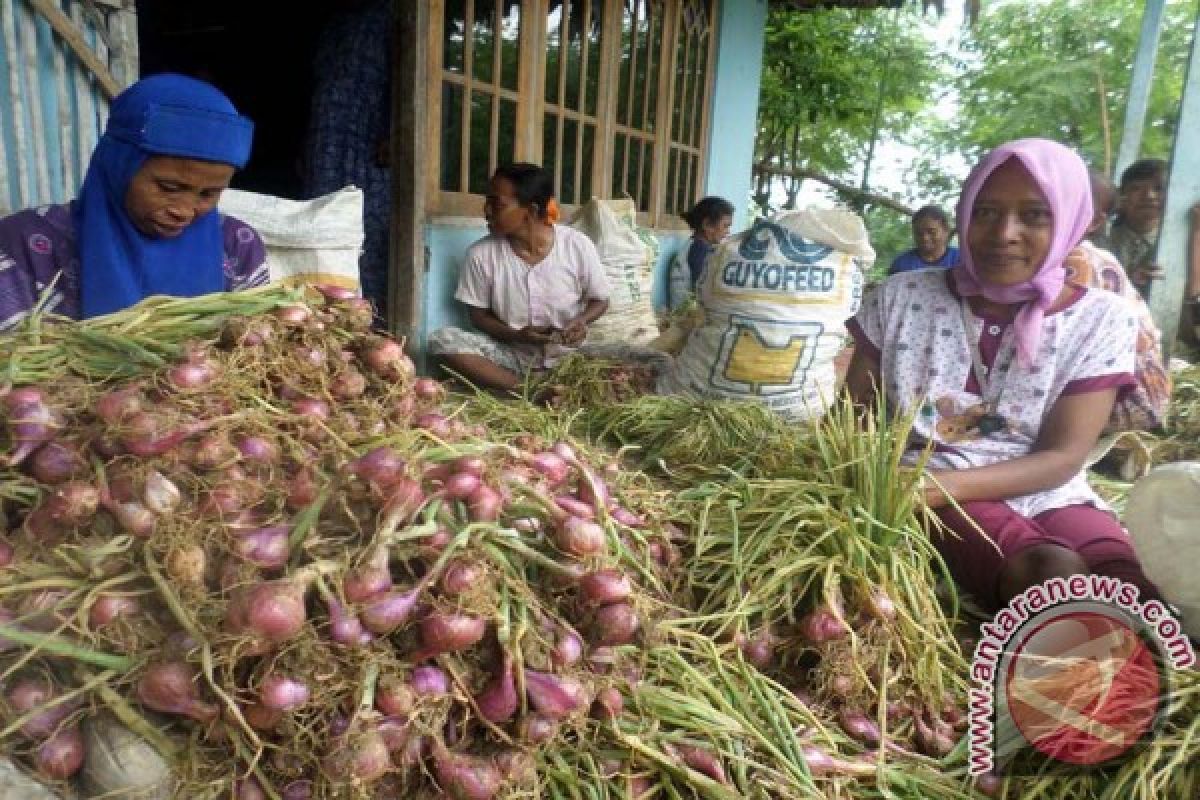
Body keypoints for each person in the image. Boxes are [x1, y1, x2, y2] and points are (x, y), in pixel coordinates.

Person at [845, 138, 1158, 611]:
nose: (1003, 233)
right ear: (964, 212)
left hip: (1044, 485)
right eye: (986, 211)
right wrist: (881, 490)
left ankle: (1139, 673)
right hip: (931, 478)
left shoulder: (1102, 317)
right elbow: (851, 421)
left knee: (1127, 584)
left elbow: (1062, 456)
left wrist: (927, 492)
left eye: (1034, 215)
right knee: (1047, 577)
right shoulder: (900, 297)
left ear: (1072, 220)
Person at [0, 74, 266, 330]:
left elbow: (262, 351)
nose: (184, 211)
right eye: (169, 188)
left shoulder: (238, 246)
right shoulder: (25, 246)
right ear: (118, 164)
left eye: (208, 194)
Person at [428, 163, 610, 392]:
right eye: (488, 201)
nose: (487, 210)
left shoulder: (577, 245)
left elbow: (600, 300)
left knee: (651, 361)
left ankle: (558, 387)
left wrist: (581, 321)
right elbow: (478, 317)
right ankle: (532, 391)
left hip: (572, 358)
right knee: (443, 340)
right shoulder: (481, 255)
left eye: (497, 204)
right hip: (513, 358)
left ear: (531, 211)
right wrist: (518, 335)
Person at [303, 0, 392, 324]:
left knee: (367, 235)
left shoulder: (388, 17)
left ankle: (371, 323)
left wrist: (394, 130)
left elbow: (412, 78)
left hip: (367, 142)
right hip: (327, 139)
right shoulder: (333, 23)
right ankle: (323, 325)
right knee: (322, 225)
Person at [1092, 158, 1167, 294]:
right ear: (1122, 196)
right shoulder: (1101, 241)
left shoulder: (1177, 247)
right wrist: (1128, 281)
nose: (1149, 196)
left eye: (1158, 188)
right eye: (1136, 188)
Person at [667, 196, 734, 310]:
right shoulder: (699, 249)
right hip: (688, 317)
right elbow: (703, 289)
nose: (728, 232)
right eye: (725, 226)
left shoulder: (696, 245)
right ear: (707, 225)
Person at [887, 205, 960, 275]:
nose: (925, 238)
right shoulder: (901, 265)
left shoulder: (961, 260)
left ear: (946, 230)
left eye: (932, 232)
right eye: (919, 233)